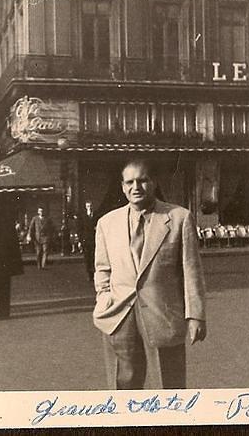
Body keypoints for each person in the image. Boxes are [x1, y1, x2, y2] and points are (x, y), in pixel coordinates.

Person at [93, 159, 207, 390]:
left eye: (143, 180)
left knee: (169, 385)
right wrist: (104, 298)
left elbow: (191, 270)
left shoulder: (179, 218)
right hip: (118, 315)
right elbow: (102, 269)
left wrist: (196, 316)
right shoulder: (107, 223)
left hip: (163, 315)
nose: (136, 187)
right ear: (123, 186)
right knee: (123, 383)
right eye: (130, 182)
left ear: (154, 182)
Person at [79, 200, 98, 282]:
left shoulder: (96, 215)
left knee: (94, 257)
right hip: (86, 240)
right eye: (87, 206)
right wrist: (80, 241)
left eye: (90, 206)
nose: (89, 208)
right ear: (85, 207)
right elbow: (79, 229)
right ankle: (89, 274)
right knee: (87, 258)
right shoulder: (83, 217)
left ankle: (94, 273)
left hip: (94, 240)